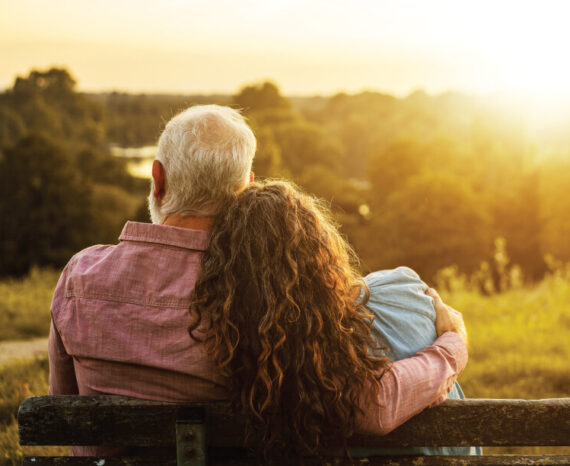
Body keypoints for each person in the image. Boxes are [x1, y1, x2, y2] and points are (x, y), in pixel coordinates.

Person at [48, 105, 467, 458]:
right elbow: (370, 407)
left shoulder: (78, 280)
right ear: (245, 190)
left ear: (157, 179)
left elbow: (65, 419)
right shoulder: (268, 301)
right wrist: (451, 349)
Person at [190, 180, 469, 460]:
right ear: (319, 247)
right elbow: (379, 407)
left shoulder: (248, 356)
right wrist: (454, 344)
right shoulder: (401, 289)